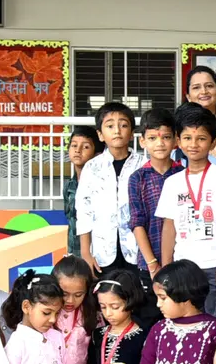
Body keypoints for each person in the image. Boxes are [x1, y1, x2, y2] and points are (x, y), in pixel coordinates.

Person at [158, 103, 216, 317]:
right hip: (184, 268)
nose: (194, 144)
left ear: (213, 143)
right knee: (185, 320)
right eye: (188, 138)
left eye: (201, 138)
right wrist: (167, 268)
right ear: (178, 141)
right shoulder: (172, 183)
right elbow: (169, 227)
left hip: (215, 267)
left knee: (215, 322)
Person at [77, 102, 145, 274]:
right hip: (102, 252)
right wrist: (86, 252)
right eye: (110, 126)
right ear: (100, 134)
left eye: (123, 125)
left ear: (131, 134)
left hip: (137, 249)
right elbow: (84, 211)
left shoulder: (143, 165)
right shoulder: (92, 167)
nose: (117, 130)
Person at [130, 107, 182, 285]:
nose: (160, 143)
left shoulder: (183, 175)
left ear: (176, 140)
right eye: (152, 138)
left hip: (182, 259)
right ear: (142, 141)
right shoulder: (138, 178)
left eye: (166, 137)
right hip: (149, 262)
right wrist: (152, 265)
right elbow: (137, 223)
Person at [64, 126, 103, 259]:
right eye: (74, 145)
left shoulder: (101, 185)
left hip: (96, 255)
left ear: (97, 153)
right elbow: (71, 223)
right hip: (74, 253)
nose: (77, 150)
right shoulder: (69, 186)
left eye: (85, 147)